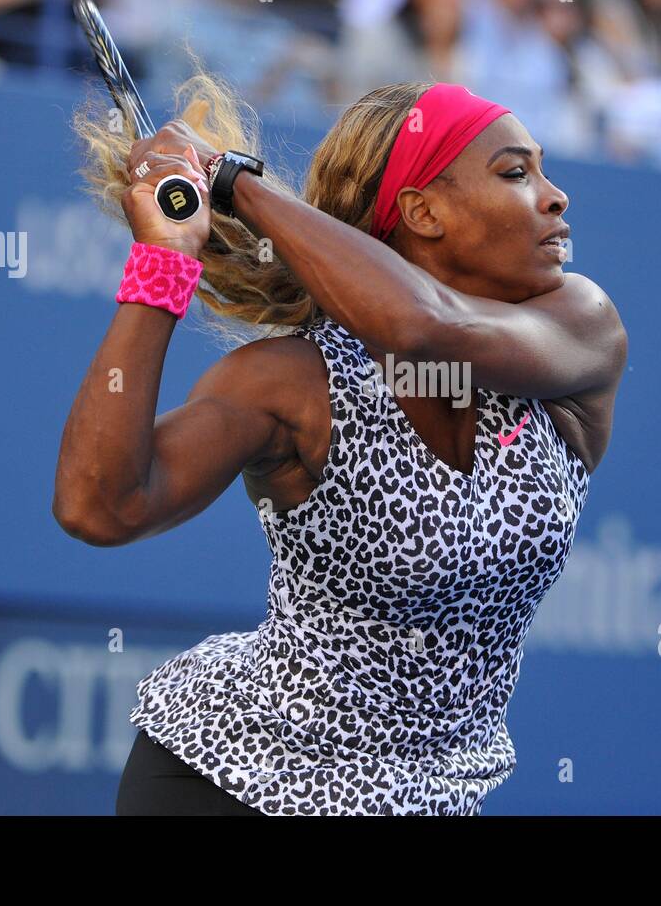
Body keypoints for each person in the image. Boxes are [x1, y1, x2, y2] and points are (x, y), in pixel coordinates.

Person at [55, 74, 627, 815]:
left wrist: (235, 180)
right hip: (232, 782)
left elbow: (424, 328)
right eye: (517, 173)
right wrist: (164, 260)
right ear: (422, 212)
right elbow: (100, 505)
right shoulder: (292, 384)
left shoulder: (581, 324)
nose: (555, 196)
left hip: (429, 798)